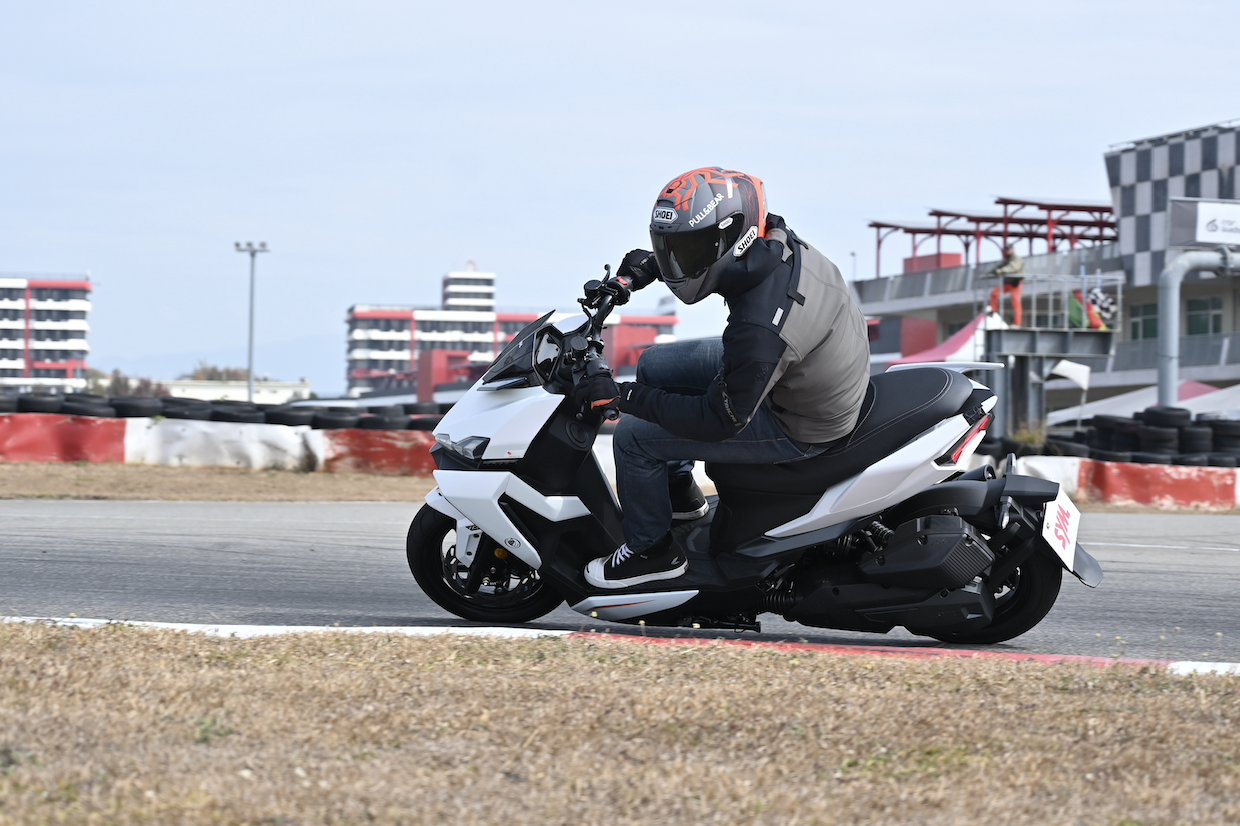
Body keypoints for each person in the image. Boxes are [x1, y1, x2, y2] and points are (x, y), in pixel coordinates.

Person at [575, 167, 871, 589]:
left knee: (632, 437)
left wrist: (624, 398)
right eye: (673, 246)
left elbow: (720, 420)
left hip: (804, 421)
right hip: (809, 366)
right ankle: (679, 495)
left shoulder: (758, 327)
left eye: (687, 248)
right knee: (654, 364)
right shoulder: (771, 235)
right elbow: (711, 252)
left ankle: (650, 552)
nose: (679, 259)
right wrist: (645, 269)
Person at [987, 244, 1025, 326]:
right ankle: (993, 310)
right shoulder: (1007, 259)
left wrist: (1001, 271)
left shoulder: (1016, 258)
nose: (1007, 251)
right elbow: (998, 267)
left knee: (1016, 302)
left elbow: (1012, 267)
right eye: (1006, 250)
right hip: (1007, 283)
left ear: (1013, 249)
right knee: (994, 293)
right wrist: (988, 273)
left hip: (1015, 284)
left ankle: (1017, 324)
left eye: (1008, 249)